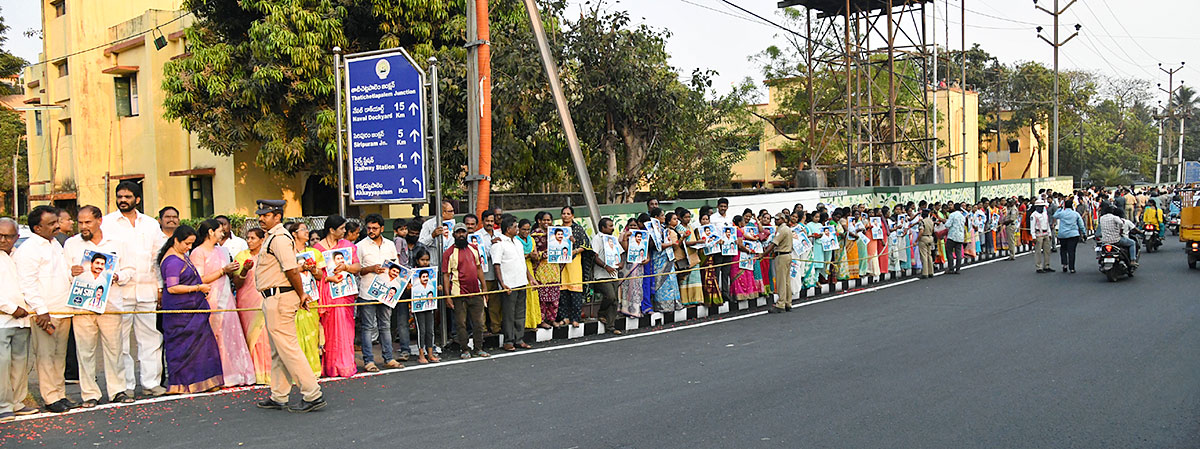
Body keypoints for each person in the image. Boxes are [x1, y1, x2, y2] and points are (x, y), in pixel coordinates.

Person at [253, 200, 326, 413]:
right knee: (279, 350)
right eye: (261, 215)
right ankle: (279, 395)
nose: (260, 218)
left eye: (265, 215)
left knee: (288, 347)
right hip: (274, 297)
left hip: (280, 297)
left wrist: (302, 293)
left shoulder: (279, 238)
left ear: (277, 216)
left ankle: (312, 394)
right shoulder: (273, 237)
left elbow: (291, 269)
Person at [62, 206, 135, 406]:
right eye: (80, 222)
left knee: (115, 350)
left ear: (99, 221)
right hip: (82, 306)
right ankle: (90, 394)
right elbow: (64, 273)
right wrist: (72, 273)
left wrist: (118, 276)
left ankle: (118, 391)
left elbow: (130, 269)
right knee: (84, 352)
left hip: (110, 304)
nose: (83, 226)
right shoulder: (71, 244)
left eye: (88, 222)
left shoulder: (117, 242)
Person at [101, 181, 165, 398]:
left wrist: (160, 288)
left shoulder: (150, 224)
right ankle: (125, 386)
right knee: (120, 342)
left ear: (137, 199)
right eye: (120, 196)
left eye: (127, 197)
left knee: (151, 339)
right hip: (119, 290)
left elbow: (158, 257)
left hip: (147, 289)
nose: (122, 200)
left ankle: (151, 383)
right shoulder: (107, 223)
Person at [14, 206, 73, 412]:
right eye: (51, 224)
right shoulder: (29, 250)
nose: (57, 226)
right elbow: (27, 283)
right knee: (46, 356)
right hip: (44, 312)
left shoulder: (56, 243)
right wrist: (41, 310)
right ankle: (50, 398)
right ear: (37, 228)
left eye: (56, 222)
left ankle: (60, 394)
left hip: (64, 308)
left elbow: (63, 272)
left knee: (59, 355)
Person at [157, 226, 225, 394]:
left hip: (194, 310)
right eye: (187, 244)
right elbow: (172, 288)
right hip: (181, 314)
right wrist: (197, 288)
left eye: (191, 244)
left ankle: (203, 381)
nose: (189, 248)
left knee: (203, 346)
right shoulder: (172, 261)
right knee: (183, 348)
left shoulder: (181, 255)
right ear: (176, 241)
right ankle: (182, 384)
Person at [191, 219, 256, 386]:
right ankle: (215, 375)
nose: (223, 233)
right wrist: (223, 271)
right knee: (214, 336)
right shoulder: (198, 252)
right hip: (210, 299)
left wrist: (233, 270)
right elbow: (199, 279)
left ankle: (235, 374)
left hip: (226, 297)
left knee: (230, 335)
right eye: (219, 230)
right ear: (211, 232)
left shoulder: (222, 250)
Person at [314, 215, 364, 376]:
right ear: (331, 230)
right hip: (327, 292)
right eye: (342, 228)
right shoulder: (317, 249)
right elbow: (315, 274)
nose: (344, 231)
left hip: (345, 293)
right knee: (329, 331)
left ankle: (346, 364)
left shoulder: (348, 246)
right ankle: (331, 366)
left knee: (347, 329)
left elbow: (358, 267)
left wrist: (346, 267)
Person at [0, 218, 39, 421]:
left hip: (23, 320)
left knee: (20, 364)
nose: (3, 240)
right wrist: (11, 308)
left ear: (17, 237)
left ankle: (17, 402)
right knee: (2, 365)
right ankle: (2, 406)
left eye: (8, 236)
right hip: (3, 320)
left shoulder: (20, 255)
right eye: (0, 235)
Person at [356, 214, 402, 372]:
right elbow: (357, 270)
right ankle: (369, 361)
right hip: (367, 292)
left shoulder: (390, 245)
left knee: (385, 326)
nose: (371, 231)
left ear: (382, 229)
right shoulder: (360, 246)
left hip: (387, 292)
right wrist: (371, 269)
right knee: (367, 328)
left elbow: (397, 267)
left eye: (375, 228)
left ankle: (388, 358)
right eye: (368, 228)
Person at [285, 223, 325, 377]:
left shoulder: (314, 252)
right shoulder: (287, 253)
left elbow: (321, 276)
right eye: (303, 230)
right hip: (291, 297)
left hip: (311, 297)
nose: (307, 232)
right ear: (294, 234)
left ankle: (312, 371)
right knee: (294, 336)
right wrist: (300, 269)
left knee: (311, 334)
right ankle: (296, 372)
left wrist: (313, 269)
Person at [232, 228, 271, 384]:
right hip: (247, 299)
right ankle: (252, 372)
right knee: (250, 335)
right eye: (247, 238)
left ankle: (267, 372)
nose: (249, 241)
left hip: (266, 298)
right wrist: (244, 271)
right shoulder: (241, 256)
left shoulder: (268, 255)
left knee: (265, 337)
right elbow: (237, 283)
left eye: (253, 238)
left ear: (262, 240)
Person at [443, 223, 488, 358]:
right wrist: (447, 296)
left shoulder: (474, 249)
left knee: (479, 323)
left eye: (463, 232)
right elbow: (446, 275)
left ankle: (479, 348)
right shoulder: (448, 253)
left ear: (467, 234)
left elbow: (479, 268)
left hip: (476, 292)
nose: (461, 235)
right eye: (458, 233)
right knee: (461, 324)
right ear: (454, 235)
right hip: (458, 293)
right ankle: (465, 349)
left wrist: (484, 288)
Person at [492, 216, 534, 349]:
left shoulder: (518, 242)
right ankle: (508, 341)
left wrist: (530, 278)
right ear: (508, 229)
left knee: (520, 312)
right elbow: (496, 265)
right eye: (515, 227)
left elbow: (523, 262)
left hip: (521, 281)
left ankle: (519, 338)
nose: (517, 229)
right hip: (509, 284)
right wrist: (502, 283)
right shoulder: (499, 244)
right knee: (509, 314)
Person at [558, 206, 593, 326]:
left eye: (568, 213)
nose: (566, 215)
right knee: (562, 290)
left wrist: (575, 249)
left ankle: (575, 318)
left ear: (572, 216)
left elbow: (586, 245)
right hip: (560, 264)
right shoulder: (557, 229)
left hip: (574, 263)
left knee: (575, 290)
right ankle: (564, 317)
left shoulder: (577, 229)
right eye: (563, 213)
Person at [590, 218, 622, 334]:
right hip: (601, 275)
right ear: (603, 228)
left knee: (615, 301)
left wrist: (621, 263)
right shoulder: (597, 239)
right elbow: (594, 256)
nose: (612, 228)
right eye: (610, 226)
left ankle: (611, 326)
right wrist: (605, 266)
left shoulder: (613, 239)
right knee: (610, 296)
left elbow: (621, 252)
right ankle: (602, 312)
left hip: (614, 274)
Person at [406, 249, 439, 363]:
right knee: (421, 330)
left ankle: (430, 353)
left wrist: (438, 288)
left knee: (430, 329)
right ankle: (421, 354)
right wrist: (409, 288)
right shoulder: (413, 274)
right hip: (418, 306)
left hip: (429, 306)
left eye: (427, 260)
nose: (425, 262)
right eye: (422, 260)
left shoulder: (432, 275)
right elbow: (407, 292)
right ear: (417, 260)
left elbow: (434, 288)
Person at [473, 211, 503, 335]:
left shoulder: (499, 234)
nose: (490, 223)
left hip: (496, 275)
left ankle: (496, 328)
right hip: (483, 276)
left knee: (495, 304)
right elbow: (479, 255)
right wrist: (492, 245)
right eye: (487, 221)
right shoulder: (477, 236)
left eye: (492, 221)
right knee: (482, 304)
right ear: (483, 221)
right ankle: (483, 329)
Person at [530, 212, 560, 329]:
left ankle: (552, 319)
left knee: (554, 297)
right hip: (541, 269)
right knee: (542, 297)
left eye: (549, 220)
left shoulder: (556, 234)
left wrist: (569, 241)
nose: (547, 222)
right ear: (539, 221)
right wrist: (543, 254)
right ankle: (541, 320)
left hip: (554, 269)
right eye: (544, 220)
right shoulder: (535, 235)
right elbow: (533, 254)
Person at [1053, 199, 1086, 274]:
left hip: (1063, 234)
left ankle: (1064, 264)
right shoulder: (1075, 214)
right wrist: (1084, 233)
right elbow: (1081, 224)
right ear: (1072, 206)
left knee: (1063, 250)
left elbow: (1055, 215)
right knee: (1072, 251)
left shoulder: (1062, 213)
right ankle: (1072, 268)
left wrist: (1060, 208)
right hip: (1073, 234)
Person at [1029, 200, 1054, 273]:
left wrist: (1049, 234)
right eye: (1040, 207)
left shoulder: (1044, 214)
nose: (1041, 208)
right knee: (1038, 251)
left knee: (1047, 250)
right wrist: (1033, 236)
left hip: (1045, 232)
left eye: (1042, 206)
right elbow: (1032, 226)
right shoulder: (1034, 215)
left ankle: (1047, 265)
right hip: (1038, 234)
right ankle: (1039, 267)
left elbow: (1047, 224)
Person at [944, 203, 967, 275]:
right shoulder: (962, 216)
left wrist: (946, 221)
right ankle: (958, 268)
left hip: (952, 236)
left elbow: (947, 225)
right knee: (958, 253)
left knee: (949, 252)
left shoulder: (952, 215)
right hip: (960, 236)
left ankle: (951, 268)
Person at [917, 210, 936, 279]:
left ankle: (925, 273)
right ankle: (931, 272)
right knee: (929, 255)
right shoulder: (931, 221)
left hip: (924, 238)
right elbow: (934, 230)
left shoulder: (922, 221)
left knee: (924, 256)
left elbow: (921, 231)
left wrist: (917, 240)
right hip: (930, 237)